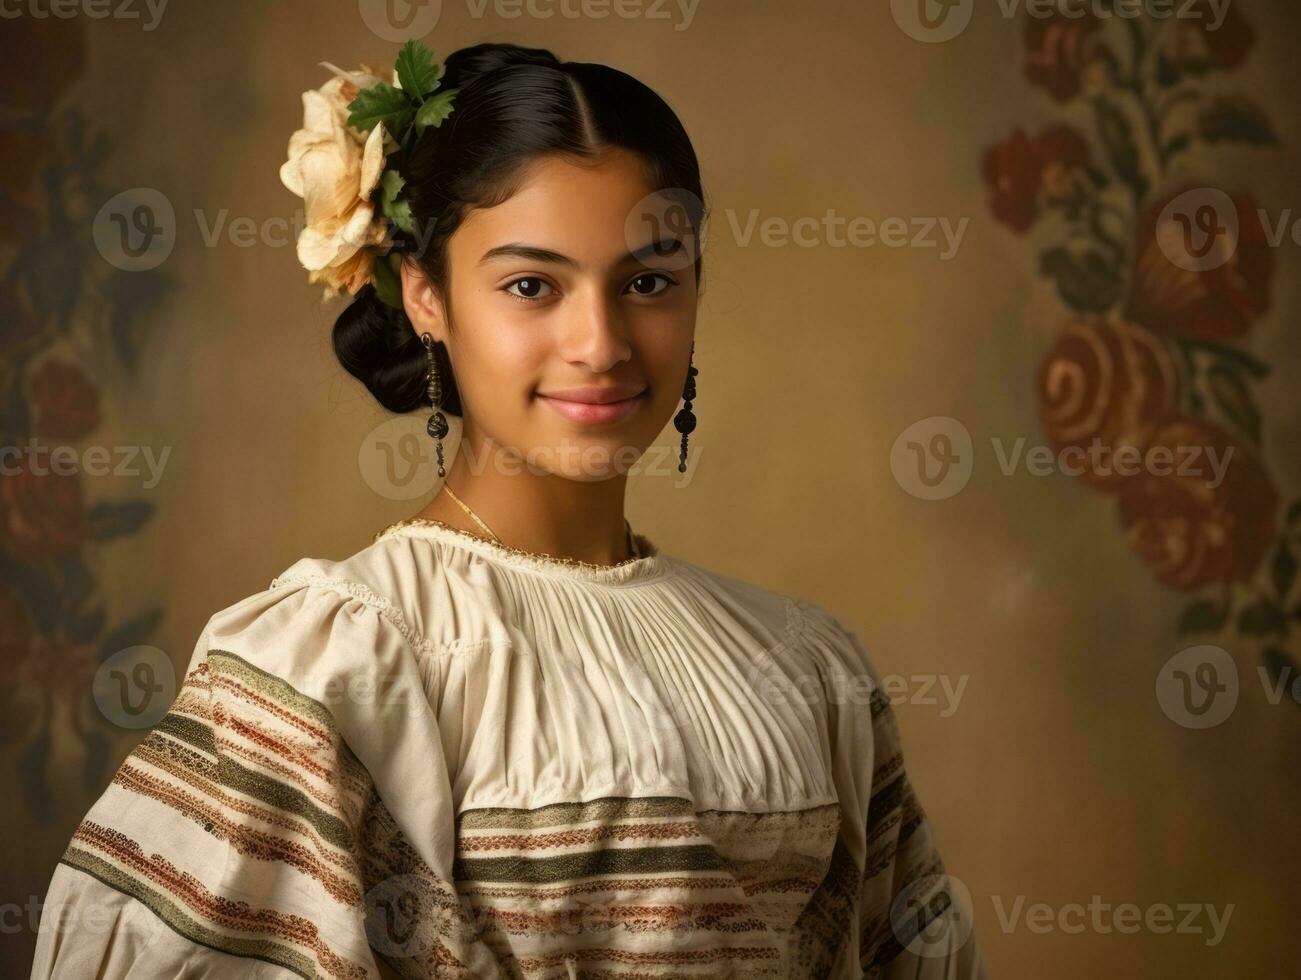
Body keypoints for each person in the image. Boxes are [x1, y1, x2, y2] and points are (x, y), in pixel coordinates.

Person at [30, 41, 987, 979]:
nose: (600, 342)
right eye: (532, 285)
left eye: (648, 282)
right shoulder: (338, 666)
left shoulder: (811, 668)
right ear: (425, 296)